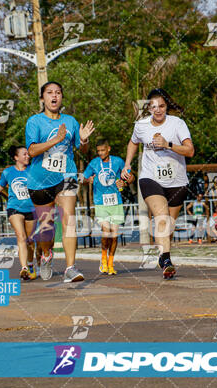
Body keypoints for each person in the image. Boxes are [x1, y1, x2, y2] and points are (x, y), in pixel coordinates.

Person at [25, 81, 95, 282]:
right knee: (46, 228)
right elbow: (31, 151)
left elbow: (82, 151)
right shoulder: (34, 122)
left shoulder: (71, 121)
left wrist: (83, 141)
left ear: (61, 97)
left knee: (69, 218)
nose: (54, 96)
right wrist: (55, 139)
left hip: (67, 176)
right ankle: (46, 254)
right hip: (39, 180)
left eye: (57, 93)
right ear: (43, 98)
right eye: (49, 93)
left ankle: (70, 268)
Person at [122, 88, 194, 279]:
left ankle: (163, 255)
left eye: (161, 105)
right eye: (154, 106)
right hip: (150, 178)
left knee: (168, 225)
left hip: (177, 181)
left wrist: (168, 144)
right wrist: (127, 165)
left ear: (166, 106)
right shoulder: (141, 125)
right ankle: (168, 260)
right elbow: (133, 142)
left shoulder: (177, 124)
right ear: (149, 108)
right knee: (161, 216)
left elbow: (190, 151)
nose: (158, 110)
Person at [0, 145, 37, 281]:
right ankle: (24, 268)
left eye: (28, 154)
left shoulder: (33, 170)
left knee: (30, 240)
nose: (28, 156)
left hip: (31, 208)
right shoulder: (8, 172)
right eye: (24, 154)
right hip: (14, 208)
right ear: (16, 157)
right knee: (21, 236)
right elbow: (0, 186)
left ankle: (30, 264)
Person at [83, 137, 134, 275]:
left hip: (116, 202)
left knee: (114, 235)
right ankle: (103, 259)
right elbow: (82, 178)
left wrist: (125, 183)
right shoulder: (94, 163)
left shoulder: (118, 161)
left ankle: (111, 264)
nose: (100, 153)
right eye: (98, 151)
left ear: (108, 149)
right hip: (100, 203)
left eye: (103, 150)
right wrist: (89, 179)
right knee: (106, 233)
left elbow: (130, 176)